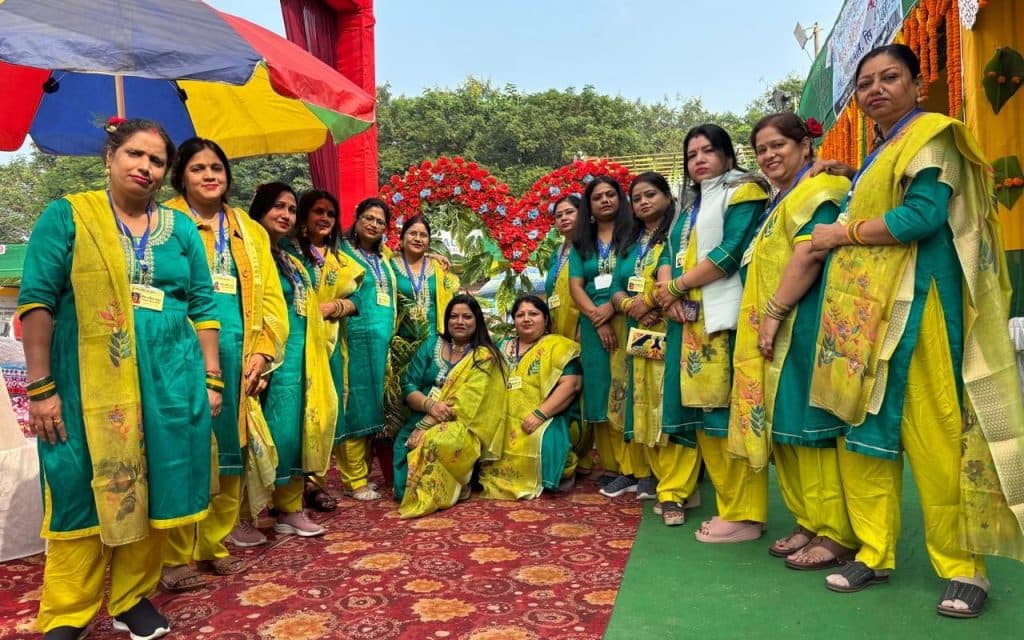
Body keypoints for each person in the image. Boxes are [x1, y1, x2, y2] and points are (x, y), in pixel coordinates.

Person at [806, 44, 1024, 616]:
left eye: (890, 78)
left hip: (918, 304)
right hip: (864, 314)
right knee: (864, 433)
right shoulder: (883, 149)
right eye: (865, 83)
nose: (875, 90)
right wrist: (850, 174)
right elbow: (891, 193)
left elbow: (923, 215)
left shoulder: (932, 134)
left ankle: (961, 567)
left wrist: (840, 234)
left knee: (935, 434)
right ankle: (873, 551)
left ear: (917, 84)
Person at [20, 118, 219, 640]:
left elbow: (203, 306)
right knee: (78, 487)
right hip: (83, 384)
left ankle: (132, 598)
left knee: (156, 484)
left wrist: (212, 378)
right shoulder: (69, 215)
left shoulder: (180, 230)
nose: (145, 167)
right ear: (109, 157)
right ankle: (68, 610)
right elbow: (37, 301)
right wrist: (40, 389)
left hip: (169, 381)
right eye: (134, 154)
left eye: (156, 160)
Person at [727, 114, 858, 567]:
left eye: (778, 145)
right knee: (783, 428)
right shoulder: (778, 200)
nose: (769, 156)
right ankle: (807, 521)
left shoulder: (821, 189)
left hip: (804, 322)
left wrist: (775, 312)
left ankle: (836, 532)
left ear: (805, 146)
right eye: (761, 150)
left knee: (810, 430)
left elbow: (810, 254)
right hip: (772, 329)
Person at [160, 137, 289, 589]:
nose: (209, 175)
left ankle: (212, 545)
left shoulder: (248, 230)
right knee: (186, 450)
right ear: (181, 176)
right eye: (197, 168)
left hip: (239, 350)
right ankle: (174, 556)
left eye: (216, 167)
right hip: (181, 350)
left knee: (231, 449)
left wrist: (263, 351)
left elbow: (271, 298)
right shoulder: (164, 222)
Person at [653, 124, 770, 543]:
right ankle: (730, 506)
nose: (699, 160)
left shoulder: (744, 192)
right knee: (703, 417)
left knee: (727, 417)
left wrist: (676, 287)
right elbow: (669, 253)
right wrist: (667, 293)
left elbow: (729, 253)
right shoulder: (693, 204)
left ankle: (746, 515)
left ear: (728, 156)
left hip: (724, 321)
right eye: (691, 154)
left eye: (707, 151)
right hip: (689, 322)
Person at [248, 182, 337, 537]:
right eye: (278, 207)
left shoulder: (289, 258)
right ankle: (247, 515)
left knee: (295, 432)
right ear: (260, 209)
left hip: (300, 361)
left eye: (291, 209)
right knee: (263, 434)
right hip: (268, 361)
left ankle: (290, 507)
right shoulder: (249, 255)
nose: (285, 215)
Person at [610, 172, 697, 526]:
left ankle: (676, 490)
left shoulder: (679, 235)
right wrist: (630, 307)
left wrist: (648, 302)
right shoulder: (630, 241)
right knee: (645, 406)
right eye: (637, 198)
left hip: (672, 329)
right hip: (639, 335)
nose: (643, 202)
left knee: (669, 404)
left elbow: (677, 279)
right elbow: (615, 286)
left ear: (667, 196)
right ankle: (665, 483)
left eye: (650, 195)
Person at [393, 294, 506, 518]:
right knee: (403, 458)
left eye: (467, 317)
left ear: (477, 321)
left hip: (463, 422)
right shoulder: (432, 344)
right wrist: (429, 405)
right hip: (423, 411)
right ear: (446, 320)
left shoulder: (484, 355)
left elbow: (468, 402)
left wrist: (425, 425)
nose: (459, 322)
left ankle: (457, 481)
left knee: (434, 442)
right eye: (454, 316)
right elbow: (408, 384)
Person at [286, 189, 364, 512]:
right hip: (294, 343)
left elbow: (359, 299)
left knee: (325, 413)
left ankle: (314, 483)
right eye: (318, 211)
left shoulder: (339, 259)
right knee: (294, 413)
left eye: (331, 214)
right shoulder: (287, 251)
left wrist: (336, 306)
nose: (325, 218)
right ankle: (286, 489)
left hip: (328, 345)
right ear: (304, 215)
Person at [568, 176, 640, 496]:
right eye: (597, 197)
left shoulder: (633, 234)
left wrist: (612, 308)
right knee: (599, 393)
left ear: (620, 199)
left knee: (626, 390)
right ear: (589, 205)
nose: (605, 200)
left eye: (611, 194)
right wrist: (598, 320)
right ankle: (612, 466)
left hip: (627, 315)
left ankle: (633, 467)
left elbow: (634, 276)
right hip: (592, 323)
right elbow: (575, 287)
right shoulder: (581, 243)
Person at [479, 296, 583, 499]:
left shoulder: (558, 346)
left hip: (545, 415)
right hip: (501, 418)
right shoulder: (500, 345)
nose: (526, 319)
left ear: (545, 319)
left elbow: (572, 385)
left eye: (533, 314)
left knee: (545, 442)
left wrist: (539, 414)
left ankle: (554, 474)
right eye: (520, 315)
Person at [337, 197, 399, 500]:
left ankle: (362, 473)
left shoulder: (384, 256)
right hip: (354, 340)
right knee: (356, 405)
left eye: (380, 221)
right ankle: (354, 480)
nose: (374, 225)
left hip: (381, 343)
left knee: (374, 405)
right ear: (357, 217)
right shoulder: (341, 252)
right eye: (369, 218)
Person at [544, 194, 593, 477]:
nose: (563, 218)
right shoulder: (557, 252)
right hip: (557, 331)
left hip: (581, 329)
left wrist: (583, 328)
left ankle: (585, 452)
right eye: (558, 215)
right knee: (563, 385)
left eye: (569, 213)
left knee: (583, 388)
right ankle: (570, 449)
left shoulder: (589, 248)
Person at [390, 215, 460, 341]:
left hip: (436, 341)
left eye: (423, 235)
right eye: (413, 233)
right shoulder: (390, 265)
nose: (418, 239)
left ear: (428, 242)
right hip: (400, 344)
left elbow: (450, 303)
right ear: (401, 239)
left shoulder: (439, 267)